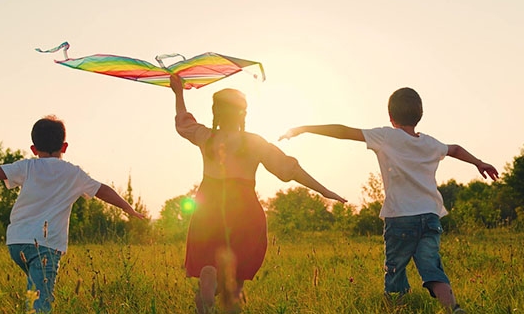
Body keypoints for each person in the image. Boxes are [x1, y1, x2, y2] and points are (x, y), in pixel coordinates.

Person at [280, 87, 498, 314]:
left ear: (391, 117)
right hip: (431, 217)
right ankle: (454, 308)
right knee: (431, 266)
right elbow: (454, 149)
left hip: (400, 217)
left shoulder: (386, 136)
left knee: (395, 270)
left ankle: (397, 309)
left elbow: (344, 131)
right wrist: (478, 162)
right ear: (419, 115)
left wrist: (304, 128)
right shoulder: (431, 143)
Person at [0, 115, 144, 313]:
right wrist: (128, 208)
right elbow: (103, 190)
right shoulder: (73, 173)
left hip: (16, 243)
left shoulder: (28, 166)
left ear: (33, 148)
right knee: (41, 304)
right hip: (45, 246)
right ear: (64, 146)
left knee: (36, 291)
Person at [169, 74, 346, 313]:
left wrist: (178, 93)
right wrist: (324, 190)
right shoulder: (254, 142)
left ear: (216, 113)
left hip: (209, 205)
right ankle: (227, 293)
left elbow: (183, 122)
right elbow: (290, 169)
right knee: (236, 275)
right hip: (243, 209)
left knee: (208, 263)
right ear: (243, 113)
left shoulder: (206, 137)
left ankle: (208, 280)